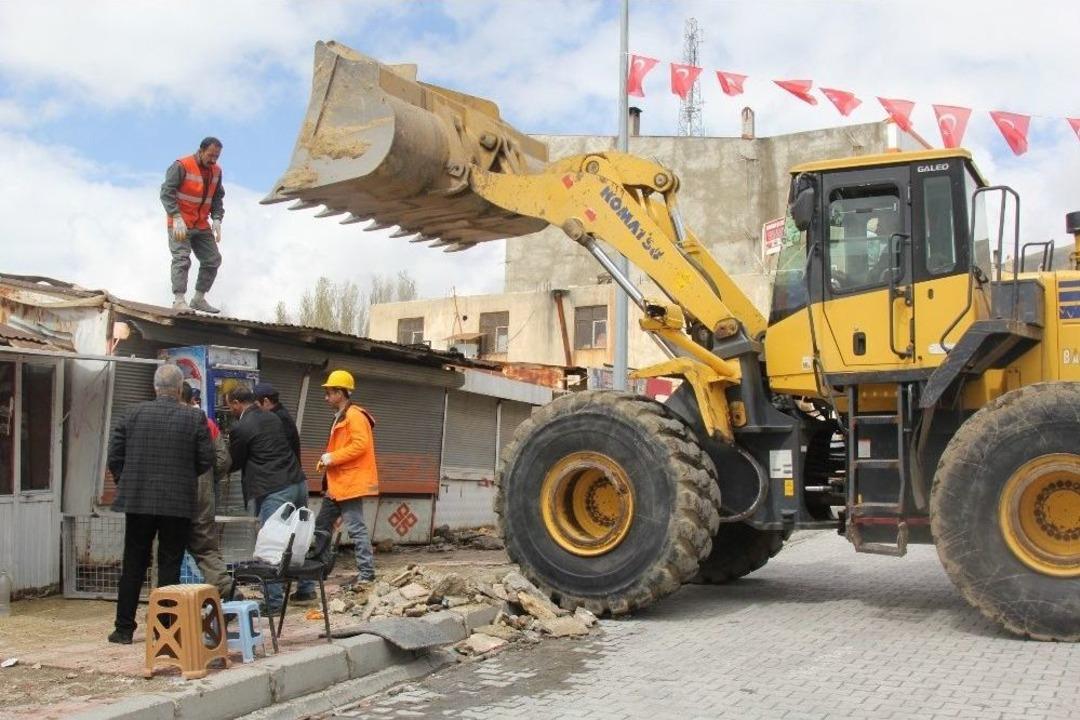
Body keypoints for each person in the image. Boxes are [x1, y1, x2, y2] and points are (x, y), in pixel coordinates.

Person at [107, 364, 213, 644]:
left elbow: (114, 456)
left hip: (138, 500)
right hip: (177, 504)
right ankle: (163, 630)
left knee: (134, 562)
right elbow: (206, 460)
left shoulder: (131, 414)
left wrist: (128, 482)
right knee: (170, 564)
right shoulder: (195, 419)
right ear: (179, 390)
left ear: (155, 388)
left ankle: (123, 629)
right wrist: (182, 478)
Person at [226, 386, 316, 609]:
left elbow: (234, 462)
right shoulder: (273, 417)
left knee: (272, 545)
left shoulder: (241, 427)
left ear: (237, 403)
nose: (230, 410)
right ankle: (306, 589)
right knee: (300, 538)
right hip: (297, 482)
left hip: (274, 488)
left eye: (229, 406)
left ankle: (274, 602)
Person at [315, 370, 378, 588]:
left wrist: (332, 458)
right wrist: (327, 461)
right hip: (338, 482)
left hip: (348, 483)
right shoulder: (343, 416)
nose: (326, 397)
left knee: (356, 528)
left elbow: (360, 446)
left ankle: (367, 574)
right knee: (322, 526)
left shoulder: (354, 416)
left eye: (329, 392)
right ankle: (317, 572)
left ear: (341, 393)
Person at [181, 382, 234, 600]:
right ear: (192, 398)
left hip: (171, 496)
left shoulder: (165, 418)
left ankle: (168, 606)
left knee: (166, 552)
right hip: (203, 494)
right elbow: (223, 459)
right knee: (206, 548)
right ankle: (228, 592)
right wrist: (208, 479)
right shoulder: (207, 422)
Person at [161, 137, 225, 313]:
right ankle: (179, 300)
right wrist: (175, 216)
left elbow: (217, 197)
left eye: (217, 156)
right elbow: (166, 192)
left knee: (213, 259)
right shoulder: (181, 165)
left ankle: (198, 299)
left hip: (201, 223)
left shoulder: (216, 171)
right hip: (180, 223)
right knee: (181, 258)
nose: (213, 159)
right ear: (201, 150)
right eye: (211, 155)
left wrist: (217, 218)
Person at [254, 382, 301, 464]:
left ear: (266, 401)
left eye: (256, 405)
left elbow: (279, 450)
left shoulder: (279, 418)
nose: (255, 409)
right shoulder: (277, 414)